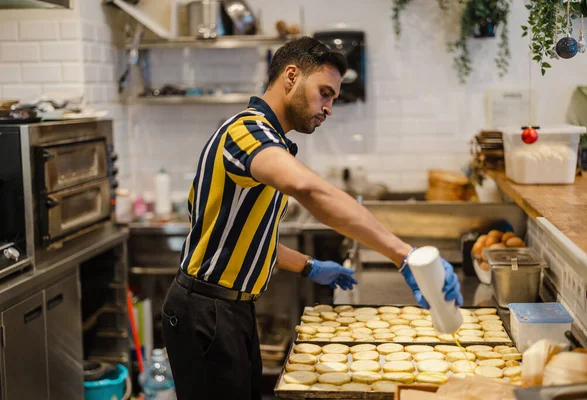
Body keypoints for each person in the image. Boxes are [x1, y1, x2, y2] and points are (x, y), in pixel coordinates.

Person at [162, 36, 463, 400]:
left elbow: (242, 236)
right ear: (291, 77)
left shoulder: (268, 140)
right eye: (325, 93)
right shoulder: (247, 132)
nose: (329, 108)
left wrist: (308, 265)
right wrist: (403, 255)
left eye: (333, 97)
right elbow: (312, 191)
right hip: (205, 311)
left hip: (229, 309)